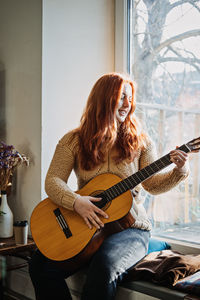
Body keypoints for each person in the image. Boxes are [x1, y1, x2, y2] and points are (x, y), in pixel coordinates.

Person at [29, 73, 189, 300]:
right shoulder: (73, 140)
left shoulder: (141, 141)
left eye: (130, 98)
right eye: (121, 96)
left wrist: (180, 171)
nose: (127, 104)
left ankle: (151, 243)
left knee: (103, 268)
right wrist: (76, 202)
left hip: (130, 229)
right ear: (103, 99)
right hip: (88, 224)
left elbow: (151, 185)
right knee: (40, 267)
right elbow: (53, 181)